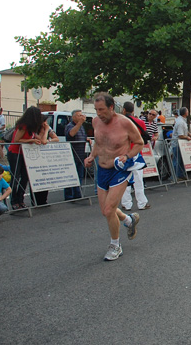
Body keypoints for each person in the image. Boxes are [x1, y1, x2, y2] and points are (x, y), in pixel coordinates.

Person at [84, 93, 142, 261]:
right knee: (105, 211)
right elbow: (99, 142)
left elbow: (139, 143)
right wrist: (92, 156)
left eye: (101, 109)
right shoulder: (96, 122)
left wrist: (128, 156)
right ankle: (128, 220)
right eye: (96, 110)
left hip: (119, 170)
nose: (98, 113)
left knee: (109, 209)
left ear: (111, 107)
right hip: (102, 170)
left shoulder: (125, 123)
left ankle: (115, 245)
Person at [6, 106, 47, 210]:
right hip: (15, 153)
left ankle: (21, 199)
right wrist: (31, 141)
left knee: (25, 178)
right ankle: (14, 200)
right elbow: (16, 140)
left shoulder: (31, 128)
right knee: (15, 177)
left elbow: (42, 140)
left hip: (25, 154)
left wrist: (45, 129)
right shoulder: (23, 126)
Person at [121, 102, 150, 211]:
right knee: (138, 180)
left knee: (124, 180)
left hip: (123, 153)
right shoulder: (140, 122)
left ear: (124, 110)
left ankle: (126, 203)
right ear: (133, 111)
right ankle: (142, 203)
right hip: (136, 153)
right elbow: (145, 137)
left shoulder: (120, 123)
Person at [64, 109, 87, 201]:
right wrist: (79, 123)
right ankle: (69, 195)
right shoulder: (70, 126)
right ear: (73, 117)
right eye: (78, 115)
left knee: (79, 175)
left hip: (81, 154)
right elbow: (71, 134)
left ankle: (78, 194)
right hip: (72, 155)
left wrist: (87, 139)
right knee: (71, 176)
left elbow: (83, 136)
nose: (81, 117)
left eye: (82, 115)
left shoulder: (81, 126)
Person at [171, 107, 191, 180]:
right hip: (177, 143)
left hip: (181, 144)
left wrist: (190, 135)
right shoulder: (180, 122)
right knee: (176, 160)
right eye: (187, 111)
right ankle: (175, 176)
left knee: (181, 159)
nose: (188, 112)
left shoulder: (182, 121)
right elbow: (180, 135)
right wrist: (187, 137)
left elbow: (185, 131)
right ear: (185, 113)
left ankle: (180, 174)